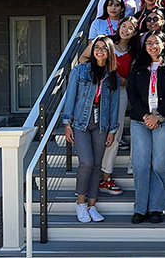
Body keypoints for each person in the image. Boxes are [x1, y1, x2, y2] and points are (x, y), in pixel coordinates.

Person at [77, 18, 139, 196]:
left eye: (131, 29)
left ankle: (106, 178)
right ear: (119, 26)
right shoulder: (104, 41)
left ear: (134, 33)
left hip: (119, 93)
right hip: (98, 92)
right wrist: (98, 75)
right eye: (124, 26)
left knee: (115, 133)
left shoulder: (134, 51)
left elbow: (133, 77)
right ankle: (91, 176)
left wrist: (126, 81)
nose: (126, 30)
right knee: (97, 131)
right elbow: (83, 59)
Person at [61, 35, 120, 223]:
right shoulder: (80, 71)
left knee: (97, 165)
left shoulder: (113, 76)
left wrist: (112, 130)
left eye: (104, 48)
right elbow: (70, 97)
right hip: (80, 123)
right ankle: (80, 203)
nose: (100, 50)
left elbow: (114, 106)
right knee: (86, 162)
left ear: (109, 52)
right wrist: (66, 123)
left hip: (101, 124)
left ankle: (92, 206)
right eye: (97, 47)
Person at [127, 31, 165, 224]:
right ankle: (140, 208)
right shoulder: (138, 66)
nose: (152, 46)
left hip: (164, 121)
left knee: (159, 164)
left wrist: (158, 116)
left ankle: (157, 207)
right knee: (141, 165)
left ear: (162, 45)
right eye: (148, 43)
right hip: (140, 121)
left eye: (156, 43)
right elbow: (131, 93)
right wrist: (145, 115)